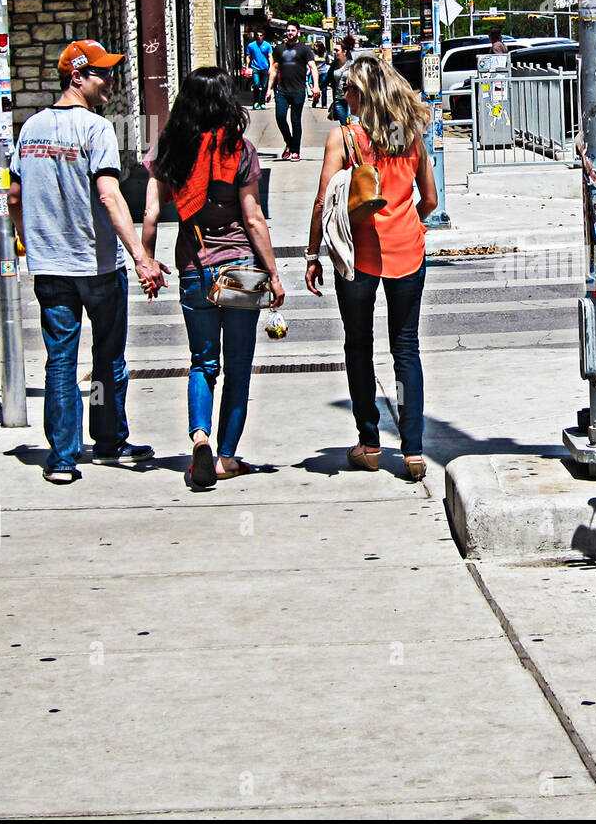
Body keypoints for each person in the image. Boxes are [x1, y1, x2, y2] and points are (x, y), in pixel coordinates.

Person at [7, 40, 169, 484]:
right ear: (76, 77)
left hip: (50, 266)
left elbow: (15, 196)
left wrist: (28, 239)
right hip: (97, 265)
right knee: (107, 357)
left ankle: (61, 457)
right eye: (101, 74)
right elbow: (109, 194)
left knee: (60, 360)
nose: (109, 82)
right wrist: (141, 256)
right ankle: (110, 439)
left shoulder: (30, 129)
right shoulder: (95, 129)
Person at [141, 68, 286, 488]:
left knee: (204, 363)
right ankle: (225, 458)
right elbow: (254, 218)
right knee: (239, 367)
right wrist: (273, 274)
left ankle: (200, 437)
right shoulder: (239, 150)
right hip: (240, 268)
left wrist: (147, 261)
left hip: (194, 267)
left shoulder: (169, 150)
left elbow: (151, 214)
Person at [304, 54, 438, 480]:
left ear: (360, 94)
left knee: (358, 345)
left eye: (347, 89)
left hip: (357, 257)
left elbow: (324, 202)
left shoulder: (344, 139)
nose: (342, 96)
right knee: (406, 348)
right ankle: (414, 452)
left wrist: (312, 255)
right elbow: (430, 201)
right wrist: (406, 220)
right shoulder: (407, 135)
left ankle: (370, 442)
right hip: (409, 252)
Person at [266, 23, 319, 161]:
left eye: (293, 30)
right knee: (280, 117)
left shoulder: (304, 49)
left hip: (298, 90)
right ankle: (289, 143)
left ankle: (295, 151)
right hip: (282, 90)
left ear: (298, 32)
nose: (290, 33)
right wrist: (269, 89)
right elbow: (274, 69)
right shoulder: (279, 49)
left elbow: (313, 67)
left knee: (296, 121)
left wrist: (316, 86)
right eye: (288, 30)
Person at [328, 34, 356, 125]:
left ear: (344, 52)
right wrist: (318, 88)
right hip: (338, 99)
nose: (335, 52)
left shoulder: (352, 65)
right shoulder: (334, 65)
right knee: (344, 126)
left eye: (337, 50)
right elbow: (328, 78)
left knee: (351, 125)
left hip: (350, 100)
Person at [244, 29, 273, 111]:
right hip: (255, 67)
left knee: (264, 86)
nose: (259, 37)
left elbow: (270, 56)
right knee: (256, 85)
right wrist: (247, 67)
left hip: (265, 67)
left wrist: (270, 67)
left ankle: (262, 102)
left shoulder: (267, 45)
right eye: (258, 35)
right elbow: (248, 56)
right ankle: (256, 102)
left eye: (261, 35)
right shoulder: (251, 45)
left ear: (263, 36)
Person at [312, 40, 331, 109]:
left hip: (323, 72)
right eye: (315, 46)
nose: (315, 47)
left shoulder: (325, 54)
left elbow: (328, 61)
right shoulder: (313, 54)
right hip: (315, 73)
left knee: (324, 88)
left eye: (317, 46)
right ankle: (315, 101)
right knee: (315, 89)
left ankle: (324, 104)